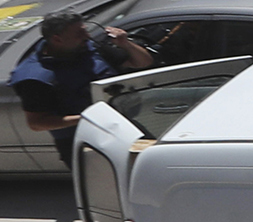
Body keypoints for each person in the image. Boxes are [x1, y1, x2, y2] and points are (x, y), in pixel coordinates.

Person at [11, 14, 152, 167]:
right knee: (108, 189)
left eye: (85, 30)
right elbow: (37, 123)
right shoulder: (35, 77)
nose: (87, 36)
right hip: (83, 143)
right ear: (57, 39)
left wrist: (125, 44)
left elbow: (143, 62)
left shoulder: (91, 49)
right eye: (79, 33)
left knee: (152, 169)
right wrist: (89, 119)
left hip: (127, 128)